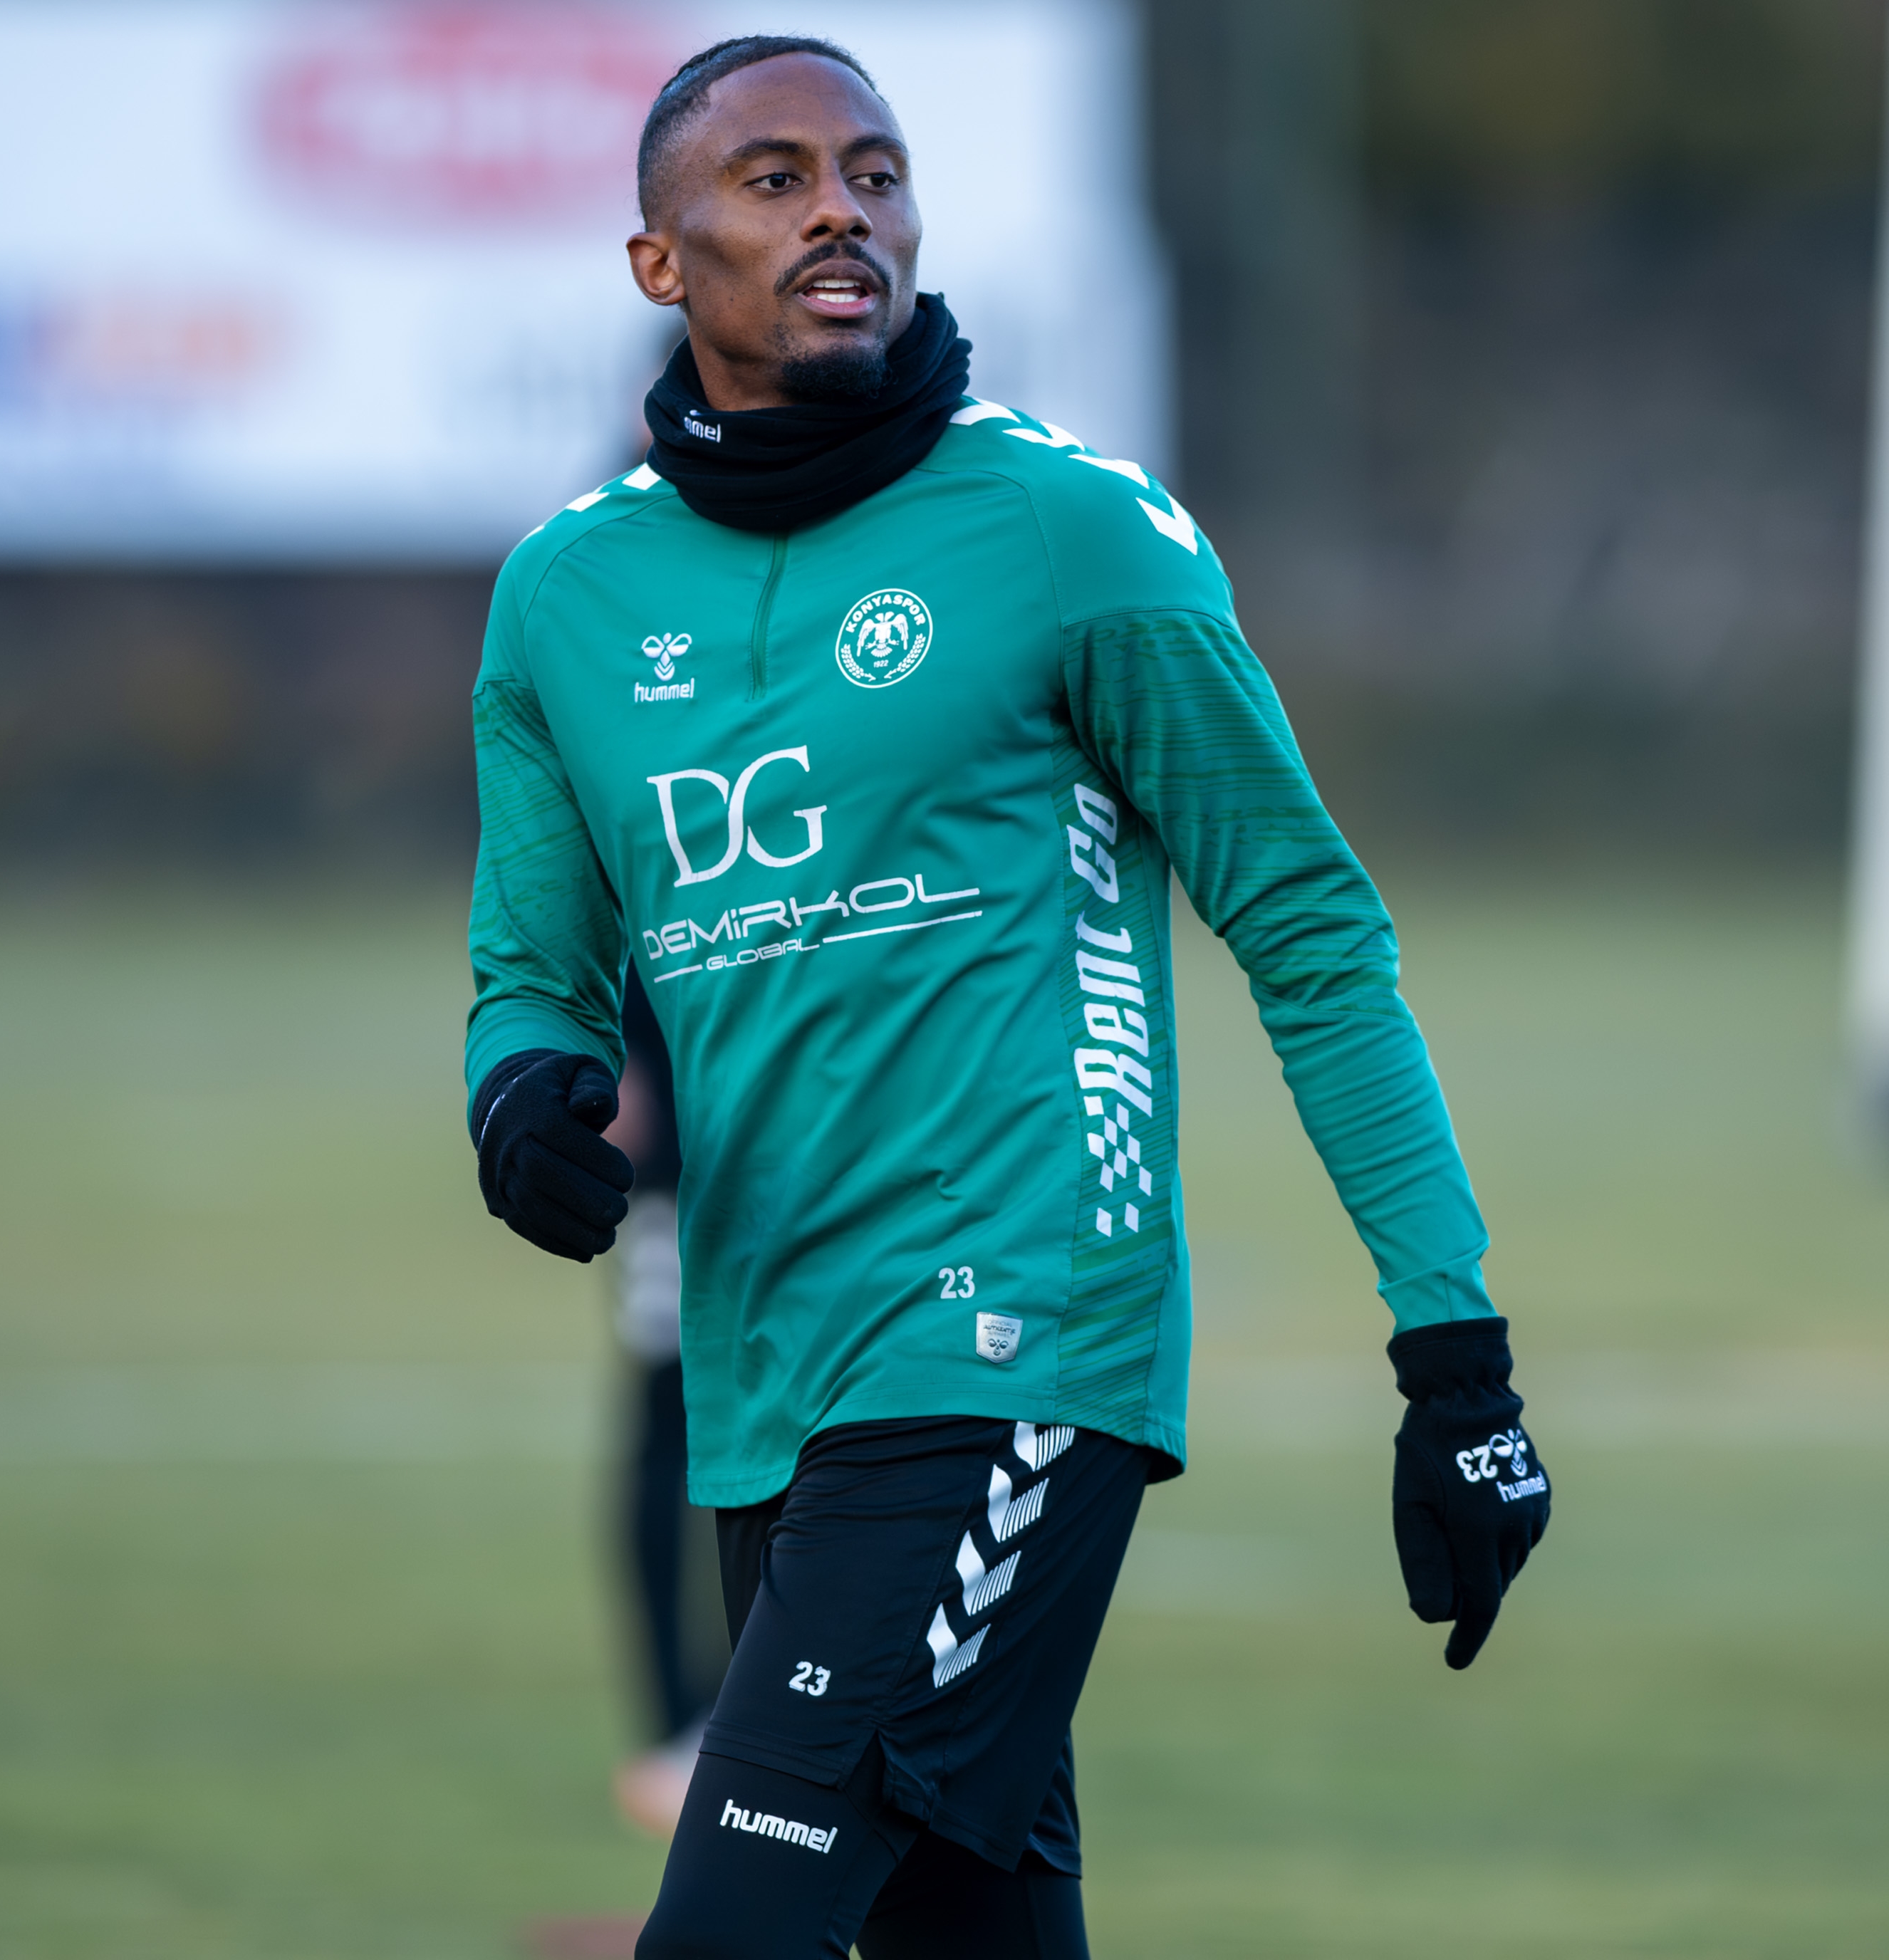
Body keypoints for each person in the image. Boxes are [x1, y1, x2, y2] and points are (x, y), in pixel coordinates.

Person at [465, 34, 1551, 1960]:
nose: (841, 212)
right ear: (659, 261)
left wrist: (1453, 1356)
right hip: (766, 1380)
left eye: (875, 175)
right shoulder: (563, 596)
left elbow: (1311, 930)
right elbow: (534, 971)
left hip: (1019, 1339)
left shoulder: (1073, 531)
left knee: (727, 1930)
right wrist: (521, 1095)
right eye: (777, 179)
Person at [601, 969, 727, 1837]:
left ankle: (753, 1704)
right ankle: (679, 1721)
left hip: (823, 1167)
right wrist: (616, 1048)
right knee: (670, 1427)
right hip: (681, 1182)